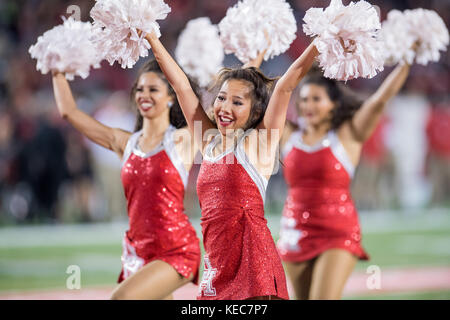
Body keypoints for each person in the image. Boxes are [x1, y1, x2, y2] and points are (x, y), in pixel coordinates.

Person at [145, 29, 318, 299]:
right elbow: (180, 85)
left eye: (237, 102)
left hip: (254, 268)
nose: (224, 108)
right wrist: (152, 38)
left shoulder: (259, 142)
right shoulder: (208, 141)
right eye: (222, 98)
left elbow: (285, 85)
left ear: (256, 112)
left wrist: (321, 41)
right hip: (216, 266)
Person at [51, 59, 201, 300]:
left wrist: (153, 40)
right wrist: (56, 67)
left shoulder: (183, 140)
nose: (144, 95)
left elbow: (193, 95)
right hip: (137, 251)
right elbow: (69, 112)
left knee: (121, 298)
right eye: (140, 89)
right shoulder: (126, 143)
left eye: (153, 90)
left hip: (175, 249)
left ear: (171, 97)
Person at [277, 61, 412, 300]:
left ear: (333, 105)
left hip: (336, 231)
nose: (308, 105)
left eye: (316, 99)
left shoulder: (348, 135)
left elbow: (379, 101)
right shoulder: (288, 134)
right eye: (304, 99)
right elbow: (276, 95)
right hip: (295, 229)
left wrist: (406, 62)